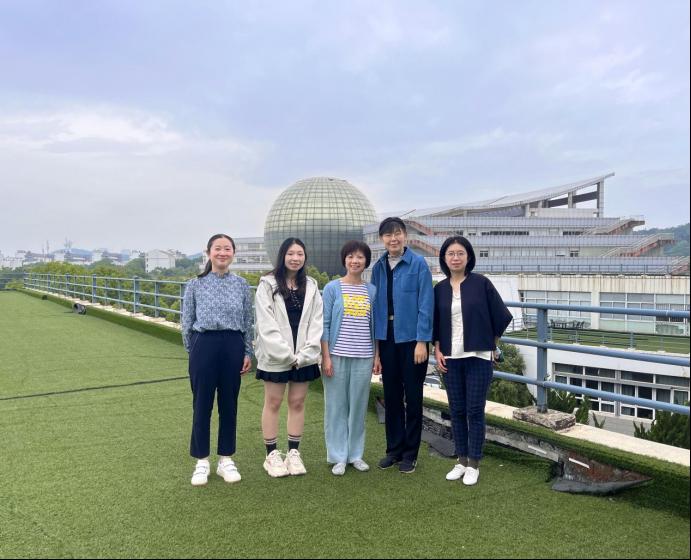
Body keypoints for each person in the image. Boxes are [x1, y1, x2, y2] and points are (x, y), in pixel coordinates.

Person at [433, 236, 513, 486]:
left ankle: (474, 464)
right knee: (456, 411)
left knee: (475, 411)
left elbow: (502, 316)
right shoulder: (439, 289)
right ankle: (461, 460)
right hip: (450, 358)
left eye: (460, 253)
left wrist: (492, 345)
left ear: (468, 257)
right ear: (444, 258)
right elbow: (435, 323)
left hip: (478, 357)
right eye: (451, 254)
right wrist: (437, 349)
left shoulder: (481, 284)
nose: (455, 258)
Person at [181, 234, 254, 486]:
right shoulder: (195, 284)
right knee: (202, 404)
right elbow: (186, 322)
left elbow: (248, 321)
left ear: (233, 253)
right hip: (204, 344)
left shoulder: (242, 285)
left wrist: (247, 352)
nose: (222, 253)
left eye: (227, 249)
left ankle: (226, 458)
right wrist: (194, 351)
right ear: (208, 252)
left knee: (228, 404)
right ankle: (201, 460)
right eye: (217, 249)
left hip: (233, 344)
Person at [255, 238, 323, 477]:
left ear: (305, 257)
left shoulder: (311, 286)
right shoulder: (267, 284)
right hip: (276, 356)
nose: (295, 258)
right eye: (291, 253)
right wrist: (286, 355)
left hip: (303, 355)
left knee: (297, 402)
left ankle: (293, 453)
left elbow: (317, 322)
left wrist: (305, 354)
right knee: (273, 402)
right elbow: (266, 324)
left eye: (300, 254)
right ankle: (271, 455)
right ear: (282, 255)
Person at [370, 217, 434, 474]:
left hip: (411, 341)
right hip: (387, 339)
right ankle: (394, 450)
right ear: (382, 239)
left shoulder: (418, 264)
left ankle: (410, 454)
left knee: (413, 398)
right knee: (392, 397)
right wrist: (376, 352)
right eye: (388, 235)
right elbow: (375, 310)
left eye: (397, 233)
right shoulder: (378, 267)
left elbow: (426, 304)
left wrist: (422, 341)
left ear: (405, 236)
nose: (393, 239)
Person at [321, 240, 377, 476]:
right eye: (351, 256)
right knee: (336, 407)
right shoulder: (332, 288)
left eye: (360, 257)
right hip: (336, 355)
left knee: (358, 407)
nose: (355, 261)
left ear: (366, 261)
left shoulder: (371, 290)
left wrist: (377, 356)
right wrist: (326, 357)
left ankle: (355, 455)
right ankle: (338, 456)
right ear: (344, 260)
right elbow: (324, 324)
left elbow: (375, 327)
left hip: (364, 356)